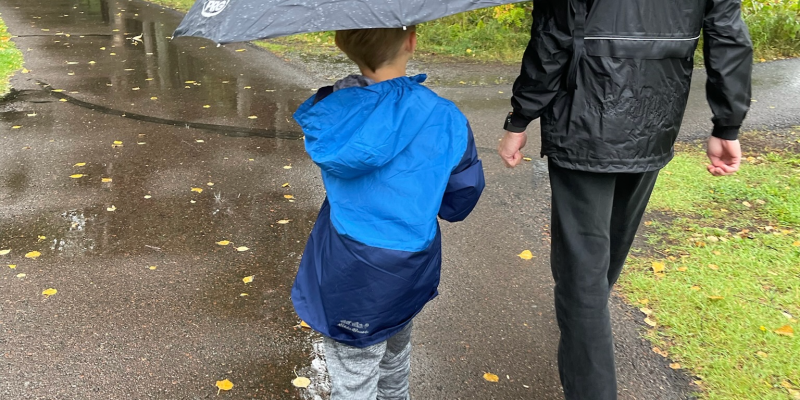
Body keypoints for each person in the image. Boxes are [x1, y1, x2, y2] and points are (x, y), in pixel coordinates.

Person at [498, 0, 752, 399]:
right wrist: (727, 124)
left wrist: (519, 117)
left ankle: (587, 362)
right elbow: (728, 35)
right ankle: (584, 335)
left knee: (583, 272)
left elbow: (553, 36)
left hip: (581, 119)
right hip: (655, 115)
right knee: (604, 256)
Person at [291, 26, 485, 400]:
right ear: (411, 41)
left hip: (349, 269)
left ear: (340, 42)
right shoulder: (443, 115)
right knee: (395, 357)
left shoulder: (334, 114)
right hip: (410, 264)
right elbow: (463, 193)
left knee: (353, 377)